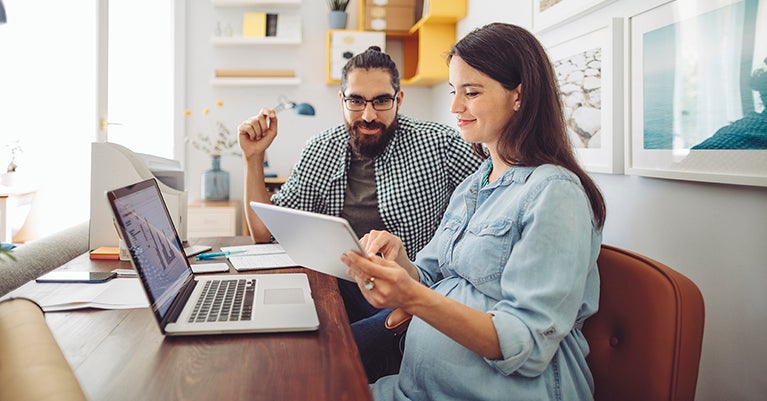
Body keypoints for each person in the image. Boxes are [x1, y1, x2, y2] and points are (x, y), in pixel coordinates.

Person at [341, 23, 607, 401]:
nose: (454, 107)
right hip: (416, 387)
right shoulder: (475, 183)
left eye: (472, 92)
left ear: (519, 95)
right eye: (454, 91)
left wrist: (412, 297)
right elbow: (432, 275)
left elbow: (526, 345)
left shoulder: (554, 193)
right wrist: (399, 261)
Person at [237, 46, 481, 381]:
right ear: (342, 100)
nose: (368, 115)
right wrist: (253, 158)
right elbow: (263, 233)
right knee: (280, 334)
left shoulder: (439, 144)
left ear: (399, 99)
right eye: (356, 101)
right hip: (345, 287)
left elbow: (493, 200)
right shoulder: (320, 148)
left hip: (413, 293)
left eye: (381, 101)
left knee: (317, 362)